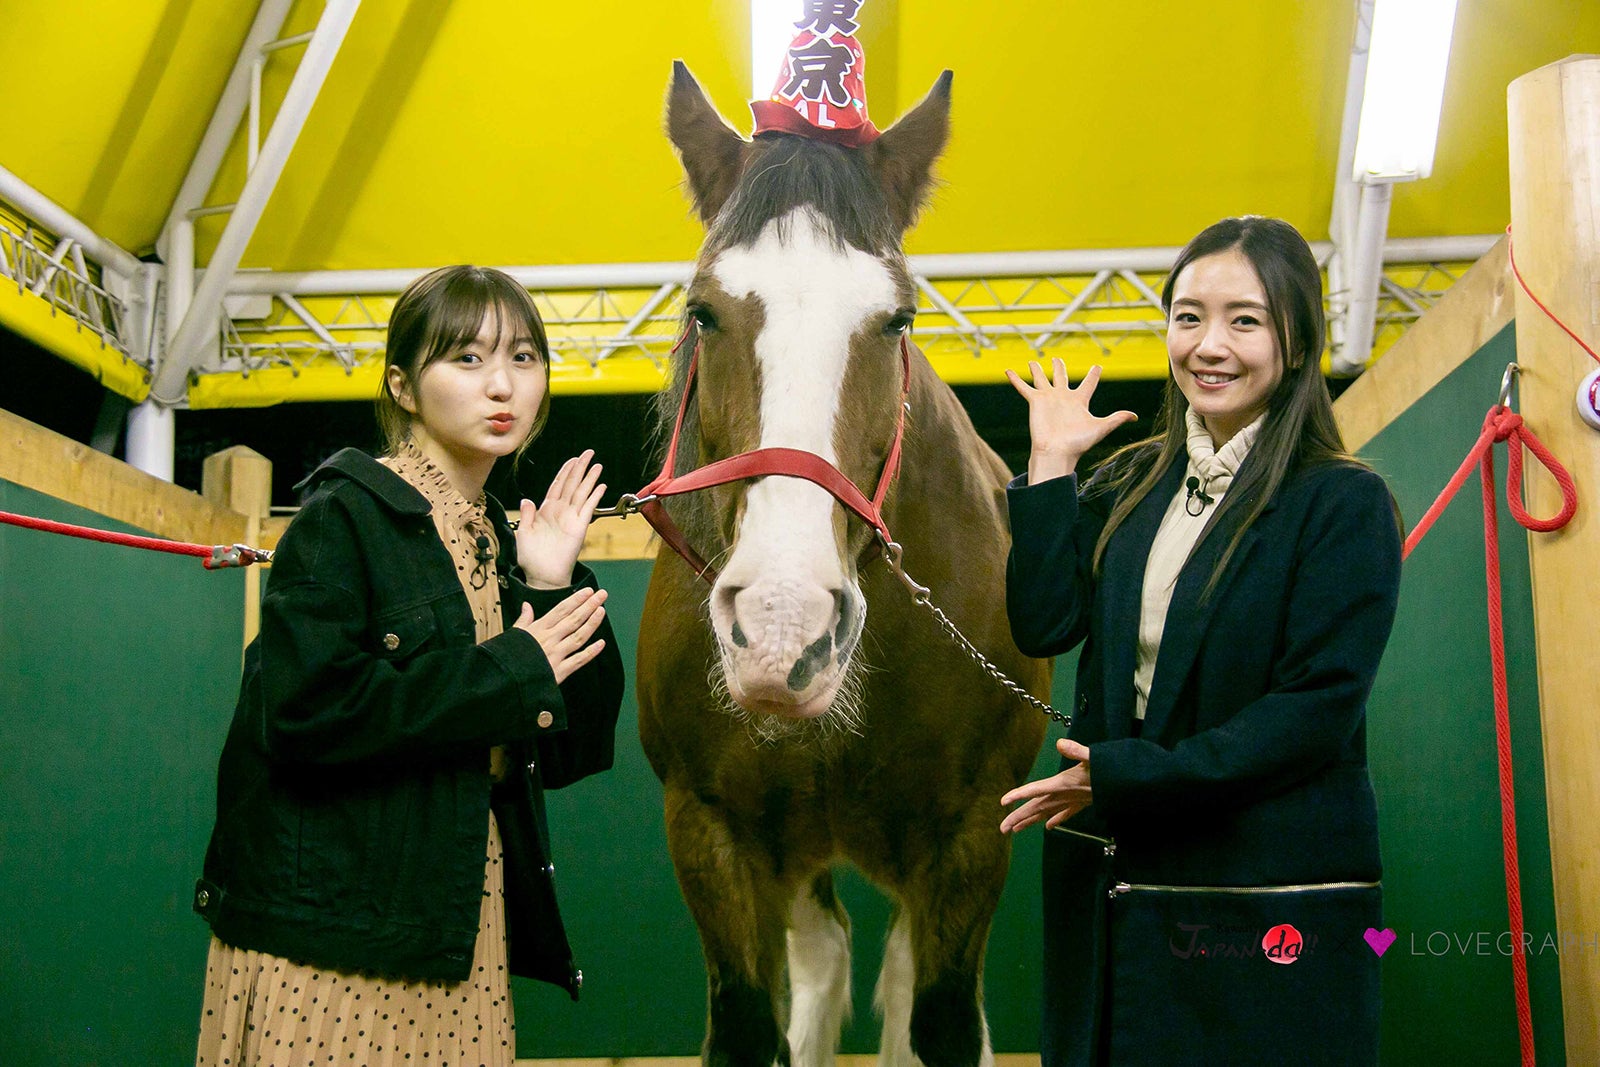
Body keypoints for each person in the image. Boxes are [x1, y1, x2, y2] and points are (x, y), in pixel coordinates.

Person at [192, 265, 625, 1066]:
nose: (502, 384)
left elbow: (574, 750)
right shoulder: (344, 514)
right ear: (402, 384)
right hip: (334, 936)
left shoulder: (502, 538)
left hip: (455, 923)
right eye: (466, 359)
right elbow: (303, 712)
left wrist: (550, 581)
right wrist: (511, 669)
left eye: (525, 358)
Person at [1000, 216, 1402, 1066]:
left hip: (1258, 901)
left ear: (1296, 342)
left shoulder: (1343, 502)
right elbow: (1042, 623)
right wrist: (1048, 469)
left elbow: (1313, 714)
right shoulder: (1130, 480)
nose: (1208, 344)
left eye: (1244, 319)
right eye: (1188, 316)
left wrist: (1118, 773)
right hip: (1117, 885)